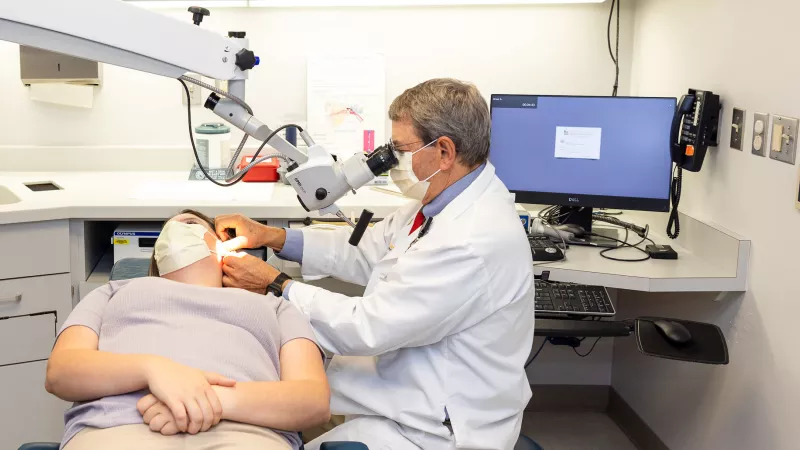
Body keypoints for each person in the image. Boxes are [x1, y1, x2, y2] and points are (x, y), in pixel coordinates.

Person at [217, 78, 535, 450]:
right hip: (399, 387)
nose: (393, 161)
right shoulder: (439, 201)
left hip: (433, 426)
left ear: (445, 151)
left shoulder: (471, 239)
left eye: (402, 149)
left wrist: (275, 285)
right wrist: (273, 237)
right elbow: (366, 250)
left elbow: (367, 327)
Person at [46, 210, 330, 450]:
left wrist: (211, 400)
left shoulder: (276, 307)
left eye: (191, 225)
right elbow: (60, 373)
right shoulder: (111, 293)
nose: (177, 230)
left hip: (246, 433)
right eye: (166, 233)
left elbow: (314, 402)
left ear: (222, 249)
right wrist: (153, 369)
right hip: (117, 428)